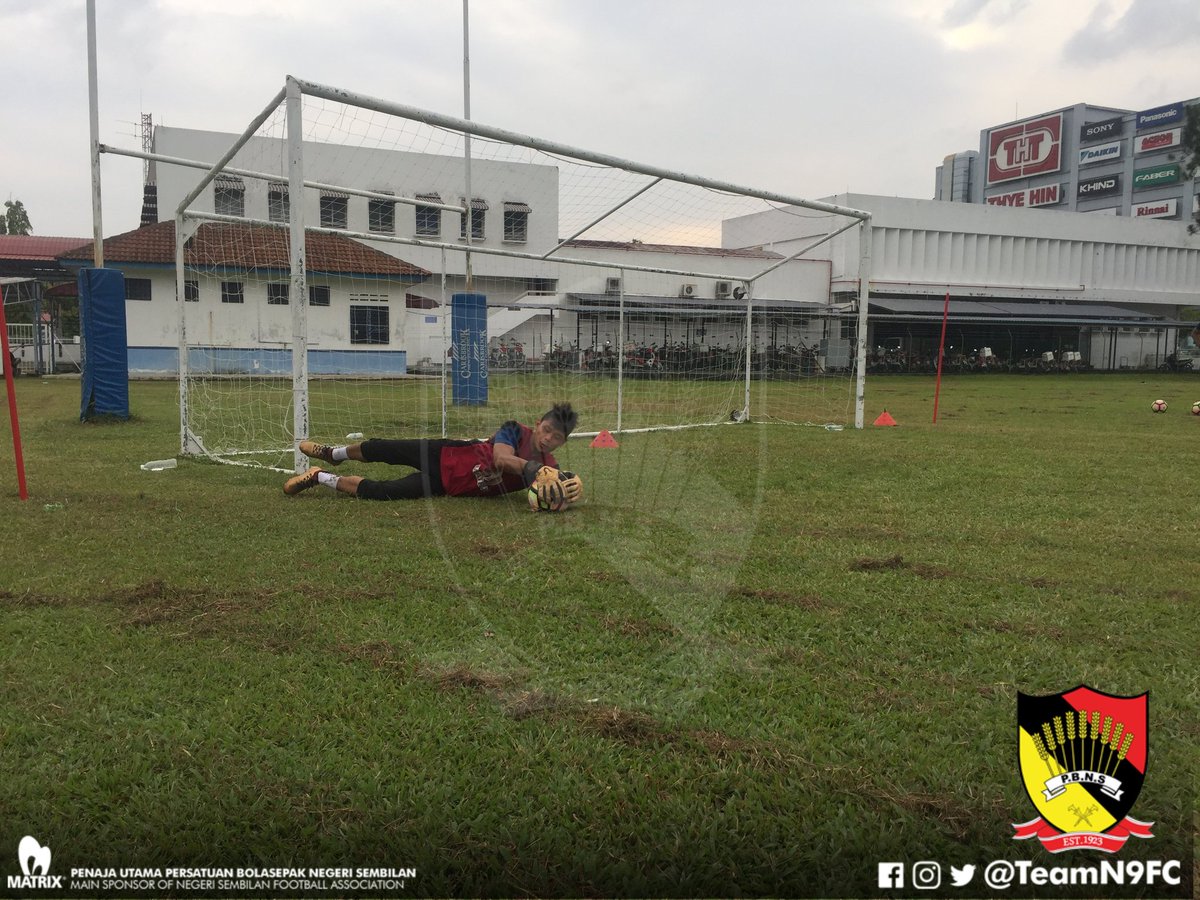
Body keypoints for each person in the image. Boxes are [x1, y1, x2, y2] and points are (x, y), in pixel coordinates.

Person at [283, 402, 581, 502]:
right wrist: (532, 470)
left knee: (383, 492)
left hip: (448, 486)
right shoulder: (515, 429)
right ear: (538, 424)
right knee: (382, 448)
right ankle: (332, 453)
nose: (548, 439)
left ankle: (318, 476)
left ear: (562, 443)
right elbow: (501, 458)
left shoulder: (549, 465)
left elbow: (545, 494)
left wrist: (563, 491)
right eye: (546, 430)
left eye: (556, 438)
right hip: (445, 454)